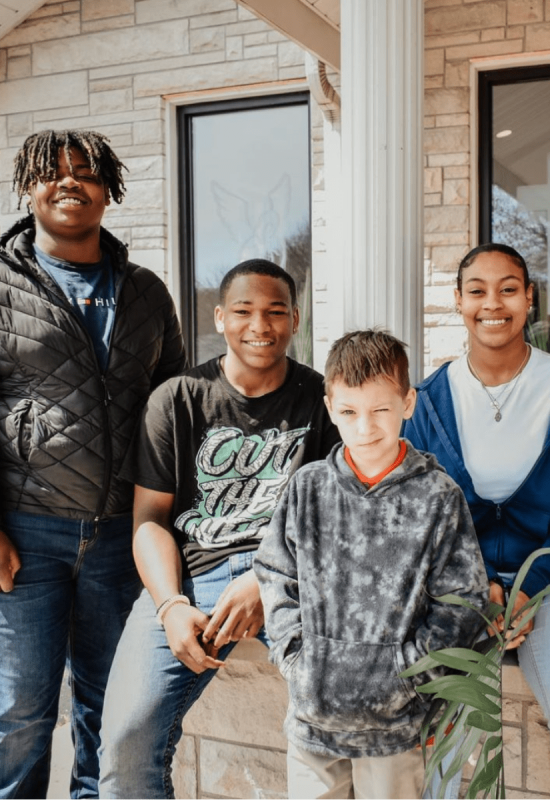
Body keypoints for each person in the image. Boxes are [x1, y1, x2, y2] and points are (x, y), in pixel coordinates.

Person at [98, 259, 340, 798]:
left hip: (294, 579)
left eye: (276, 312)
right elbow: (149, 522)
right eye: (244, 311)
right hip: (194, 578)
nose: (260, 325)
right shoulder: (178, 399)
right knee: (125, 742)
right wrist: (169, 605)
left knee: (343, 728)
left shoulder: (322, 400)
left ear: (296, 319)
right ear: (219, 317)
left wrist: (270, 579)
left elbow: (336, 521)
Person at [0, 129, 186, 799]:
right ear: (29, 186)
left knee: (109, 712)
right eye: (53, 173)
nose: (69, 182)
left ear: (109, 190)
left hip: (121, 537)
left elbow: (173, 410)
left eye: (85, 173)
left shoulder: (145, 292)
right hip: (26, 535)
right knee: (19, 714)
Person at [254, 329, 489, 800]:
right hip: (313, 724)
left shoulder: (437, 497)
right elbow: (276, 574)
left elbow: (463, 600)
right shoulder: (308, 488)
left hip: (396, 729)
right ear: (329, 408)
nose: (365, 428)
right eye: (349, 412)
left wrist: (408, 675)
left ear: (407, 403)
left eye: (381, 410)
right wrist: (298, 661)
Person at [405, 243, 550, 730]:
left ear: (529, 298)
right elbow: (416, 517)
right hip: (459, 591)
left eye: (508, 289)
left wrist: (528, 589)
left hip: (549, 589)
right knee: (434, 726)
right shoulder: (427, 403)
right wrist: (478, 586)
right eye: (477, 291)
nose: (493, 304)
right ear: (458, 300)